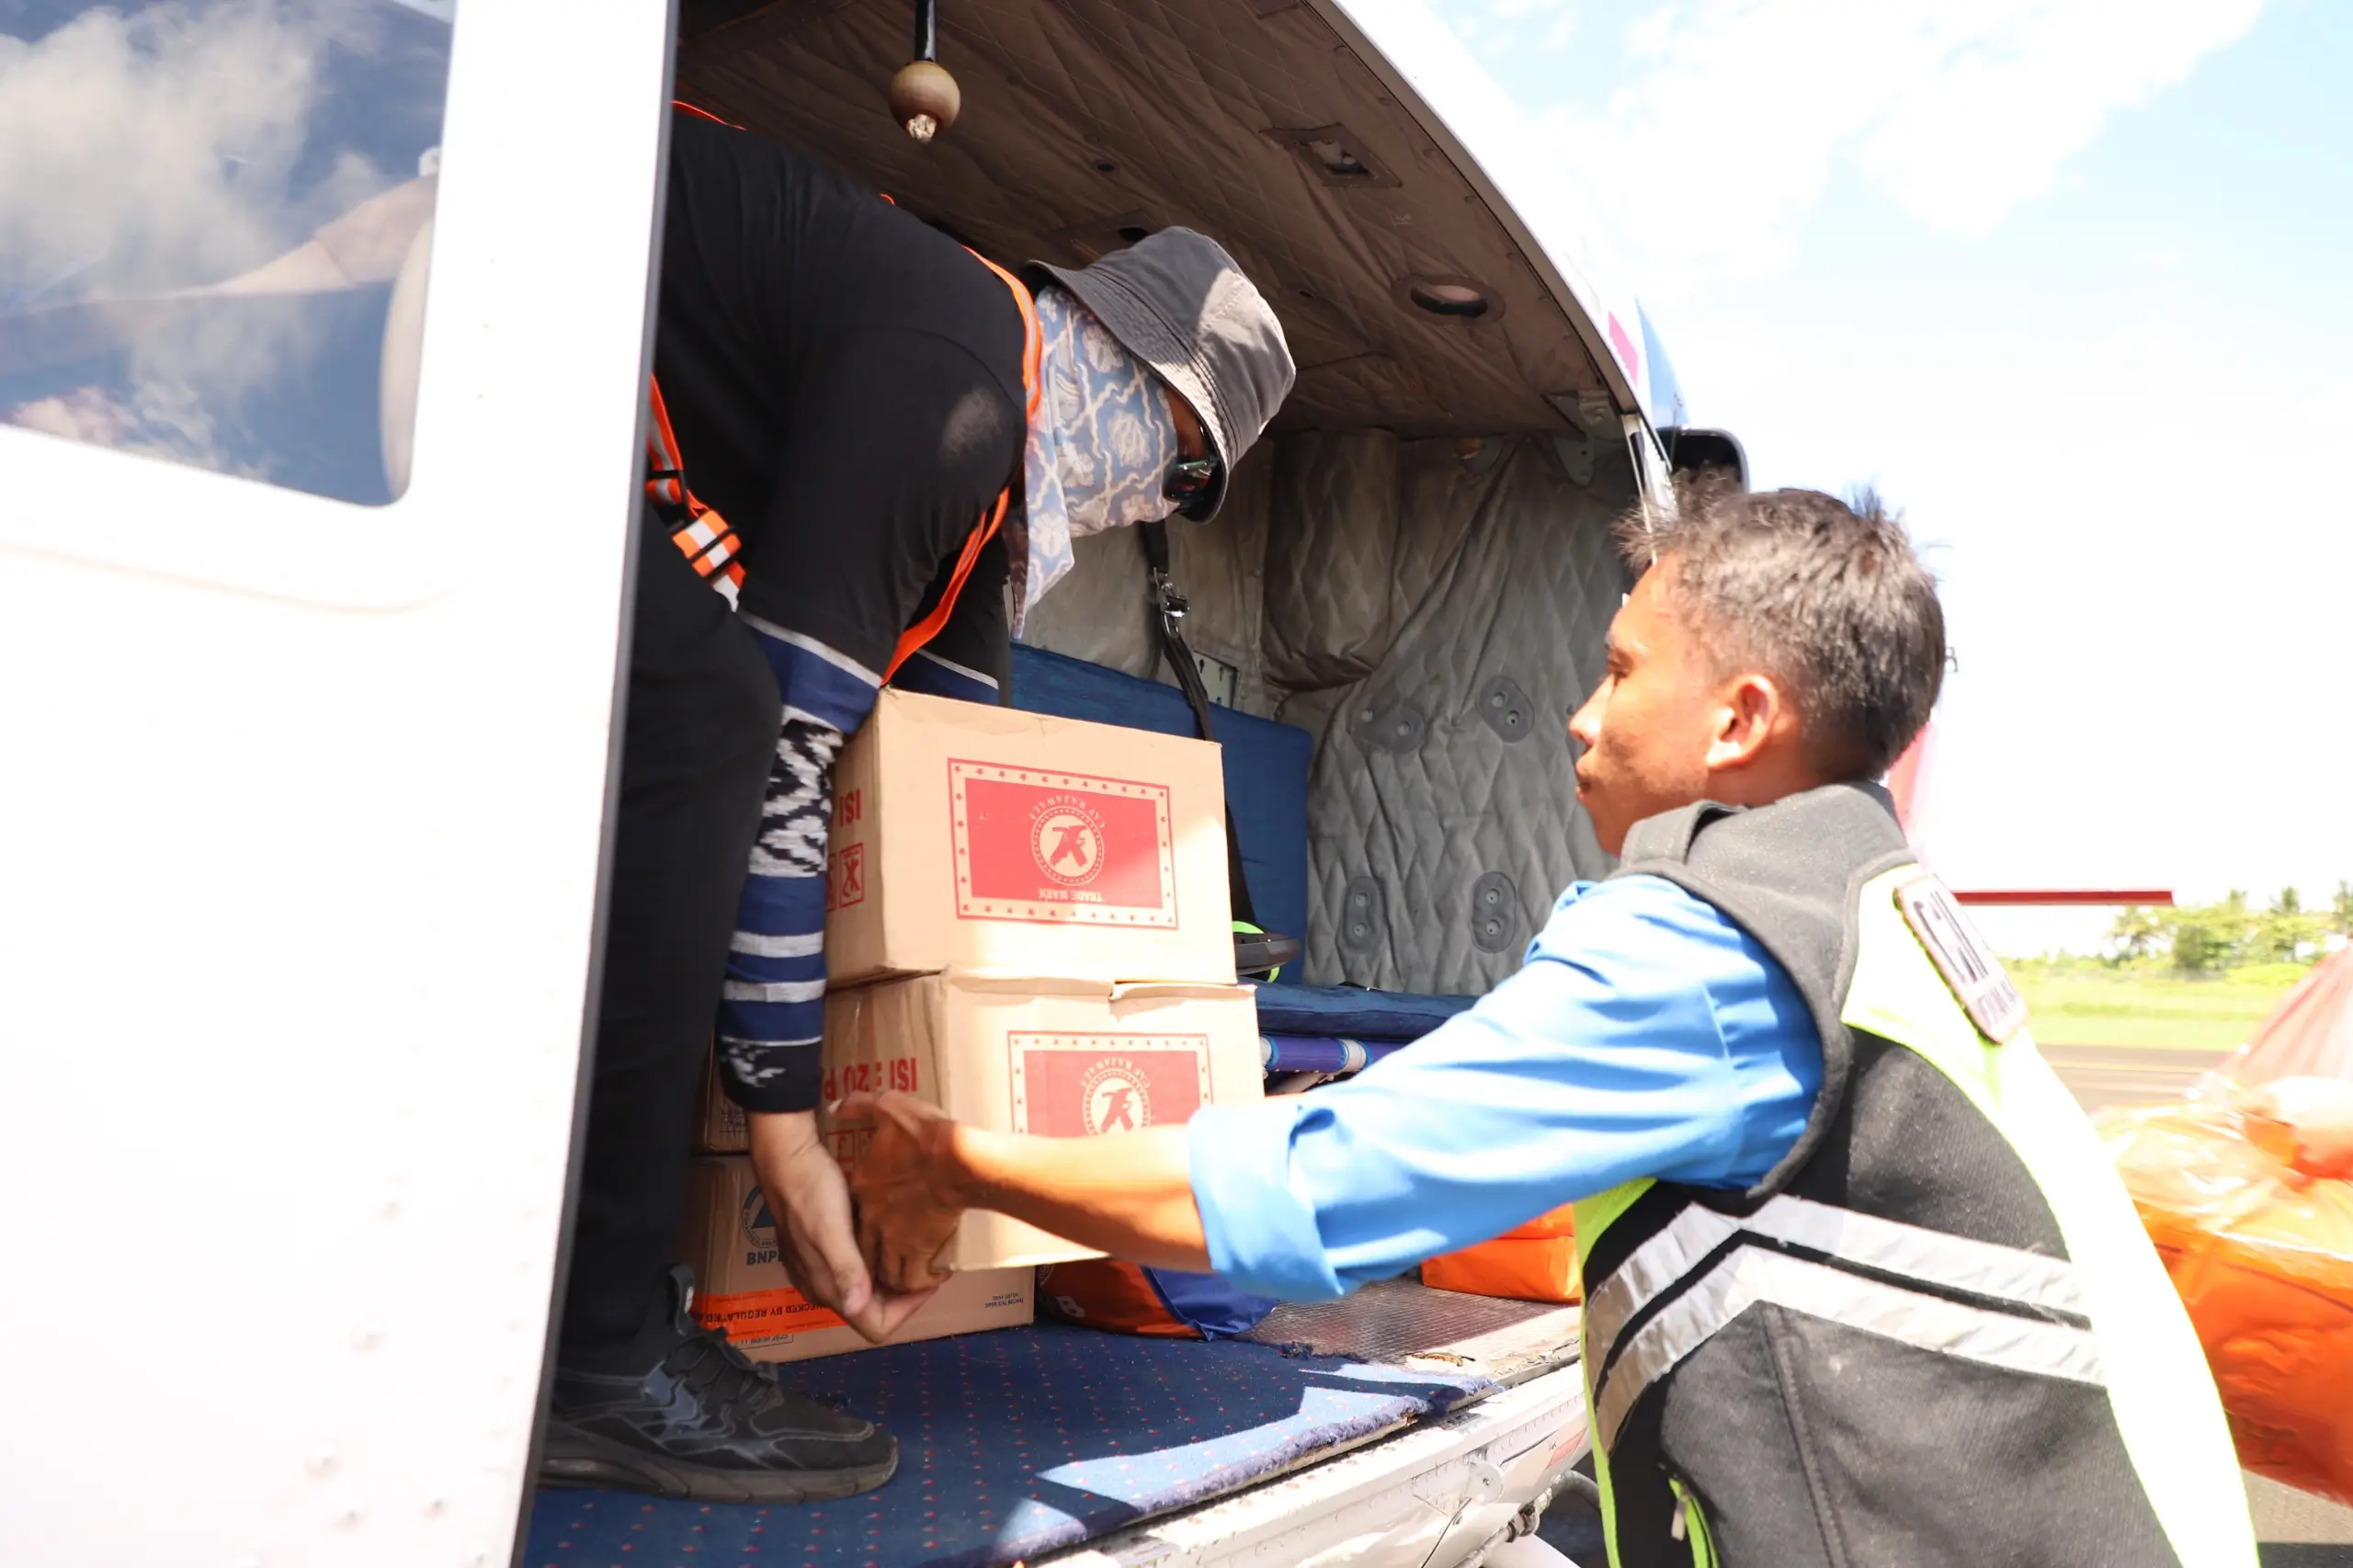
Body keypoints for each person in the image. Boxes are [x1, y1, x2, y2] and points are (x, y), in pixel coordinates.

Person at [840, 478, 2260, 1567]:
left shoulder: (1712, 947)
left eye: (1625, 669)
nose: (1579, 717)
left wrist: (956, 1162)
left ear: (1741, 716)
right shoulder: (1875, 906)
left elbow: (1304, 1188)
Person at [539, 106, 1295, 1502]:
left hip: (570, 403)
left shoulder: (983, 519)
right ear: (1146, 388)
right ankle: (596, 1349)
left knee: (696, 725)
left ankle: (586, 1289)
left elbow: (938, 847)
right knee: (709, 713)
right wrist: (786, 1133)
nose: (1150, 504)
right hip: (500, 280)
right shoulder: (961, 379)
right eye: (1185, 477)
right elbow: (779, 763)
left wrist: (955, 1167)